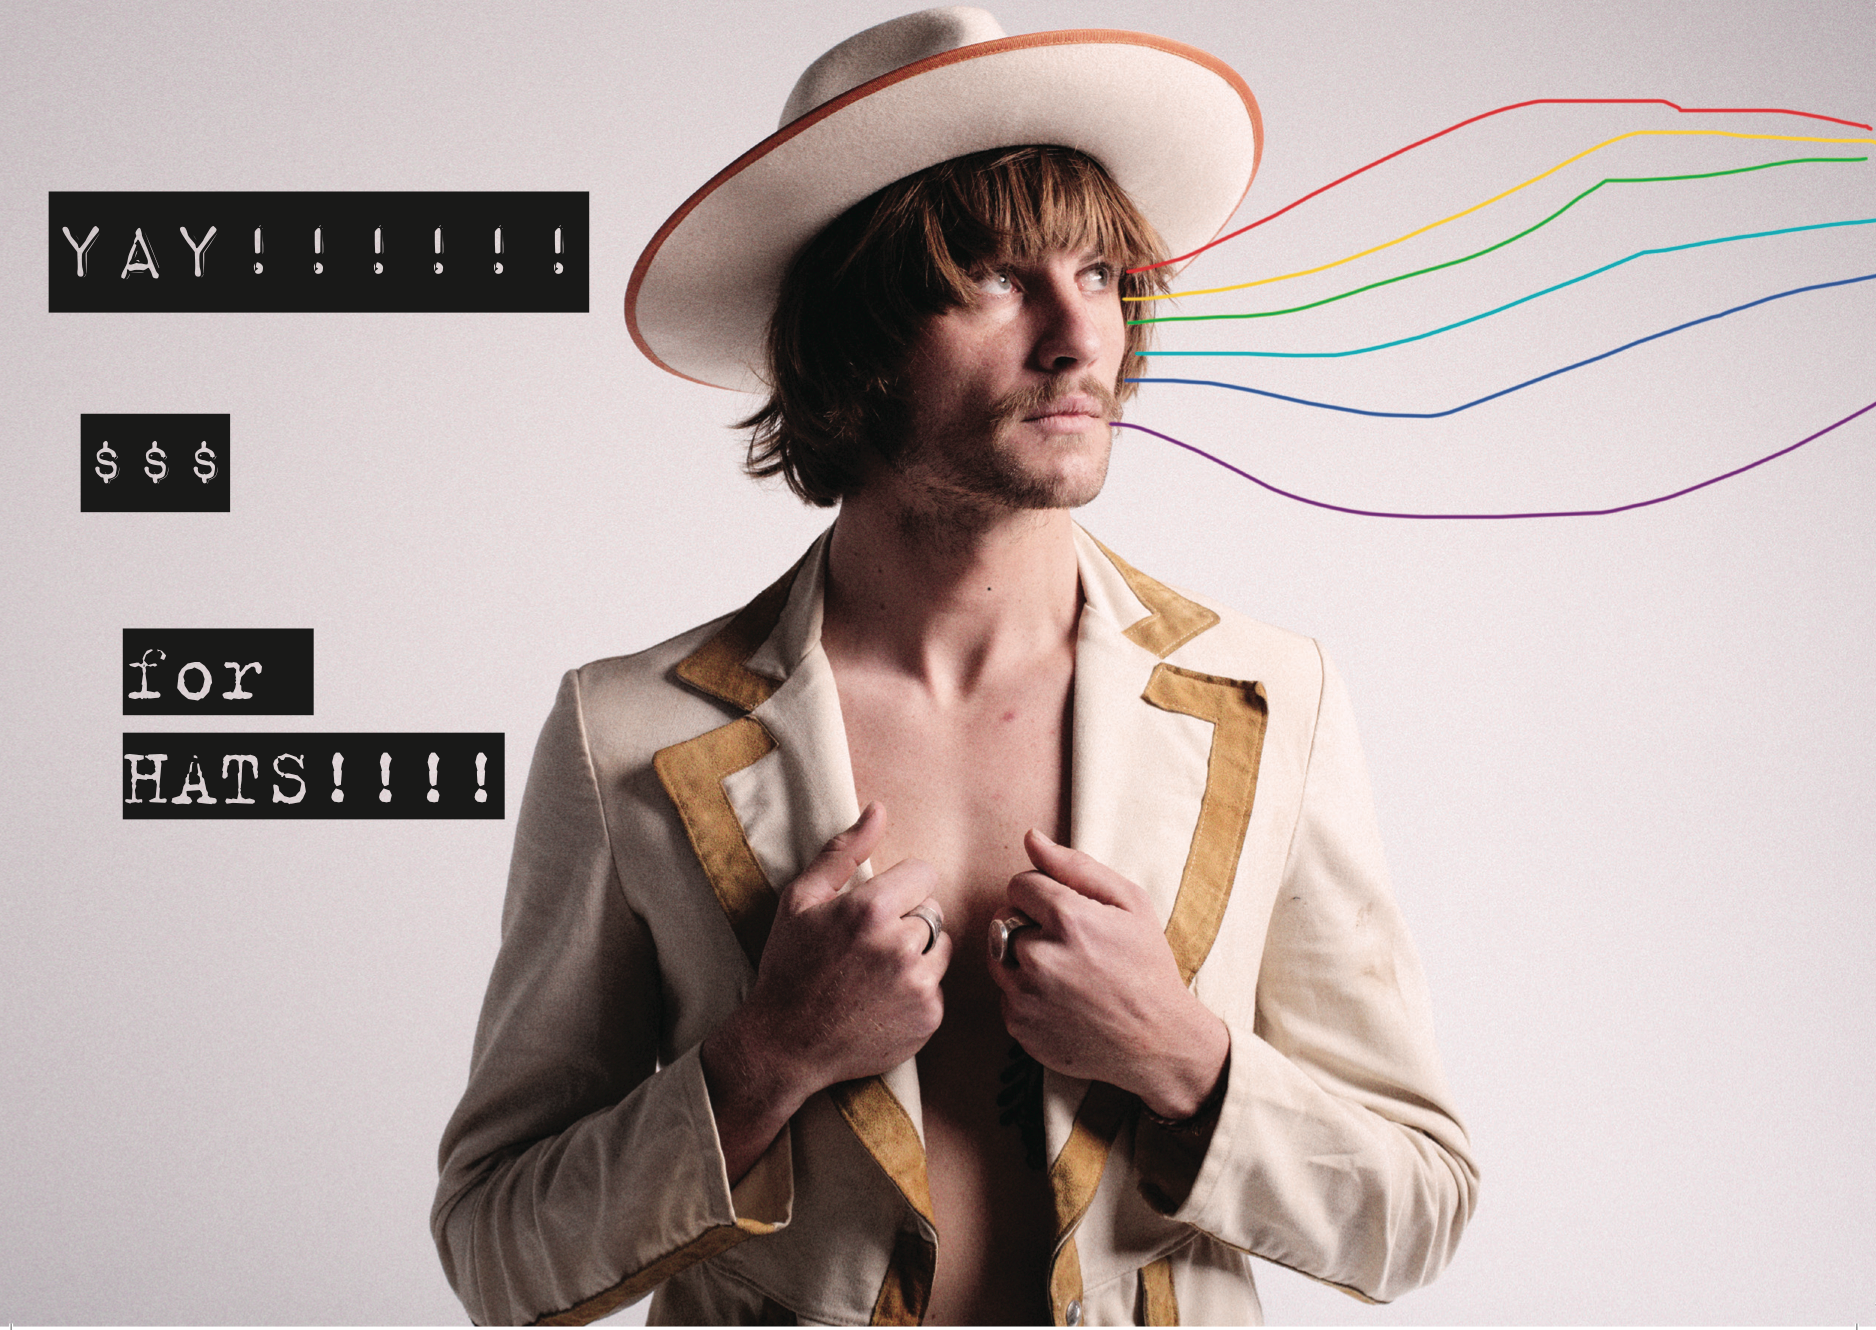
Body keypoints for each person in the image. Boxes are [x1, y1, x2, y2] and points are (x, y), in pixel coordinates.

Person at [432, 8, 1477, 1325]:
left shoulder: (1271, 697)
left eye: (1100, 274)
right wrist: (766, 1058)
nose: (1076, 336)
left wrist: (1183, 1057)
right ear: (852, 341)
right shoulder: (628, 733)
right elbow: (497, 1251)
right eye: (998, 276)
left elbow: (1418, 1202)